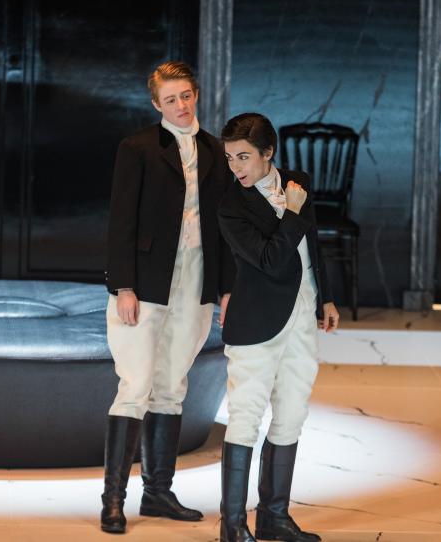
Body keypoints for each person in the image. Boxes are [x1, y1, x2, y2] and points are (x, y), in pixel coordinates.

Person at [100, 61, 236, 535]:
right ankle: (113, 501)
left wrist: (226, 288)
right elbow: (121, 221)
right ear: (157, 104)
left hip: (196, 280)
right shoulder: (137, 148)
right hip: (145, 282)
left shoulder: (215, 151)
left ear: (196, 95)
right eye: (171, 99)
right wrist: (124, 286)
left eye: (187, 95)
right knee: (135, 384)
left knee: (172, 386)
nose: (181, 105)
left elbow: (224, 227)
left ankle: (158, 493)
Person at [216, 112, 339, 542]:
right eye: (230, 158)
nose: (236, 167)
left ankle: (274, 517)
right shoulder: (231, 207)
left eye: (244, 157)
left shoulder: (297, 183)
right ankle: (233, 526)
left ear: (268, 152)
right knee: (245, 417)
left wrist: (325, 297)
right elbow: (269, 260)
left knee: (292, 413)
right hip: (256, 323)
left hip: (302, 317)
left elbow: (313, 244)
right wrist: (293, 213)